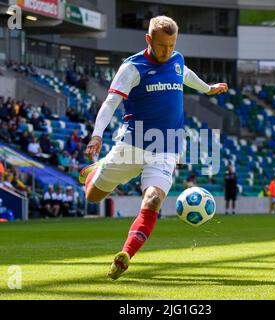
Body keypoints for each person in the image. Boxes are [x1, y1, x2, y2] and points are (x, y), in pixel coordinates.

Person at [78, 16, 228, 280]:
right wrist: (97, 135)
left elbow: (185, 74)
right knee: (92, 196)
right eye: (161, 46)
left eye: (171, 46)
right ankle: (96, 170)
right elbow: (110, 102)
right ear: (149, 40)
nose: (167, 51)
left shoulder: (177, 59)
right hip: (131, 146)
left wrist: (207, 89)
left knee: (154, 199)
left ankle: (125, 255)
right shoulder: (132, 67)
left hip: (166, 147)